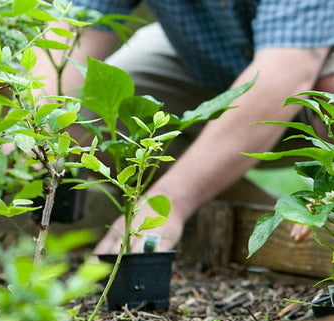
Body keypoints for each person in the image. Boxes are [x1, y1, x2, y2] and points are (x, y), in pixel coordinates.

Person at [34, 0, 334, 254]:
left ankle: (324, 228)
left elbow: (284, 74)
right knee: (85, 117)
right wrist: (31, 131)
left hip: (309, 61)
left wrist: (170, 202)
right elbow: (73, 30)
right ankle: (250, 209)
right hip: (205, 56)